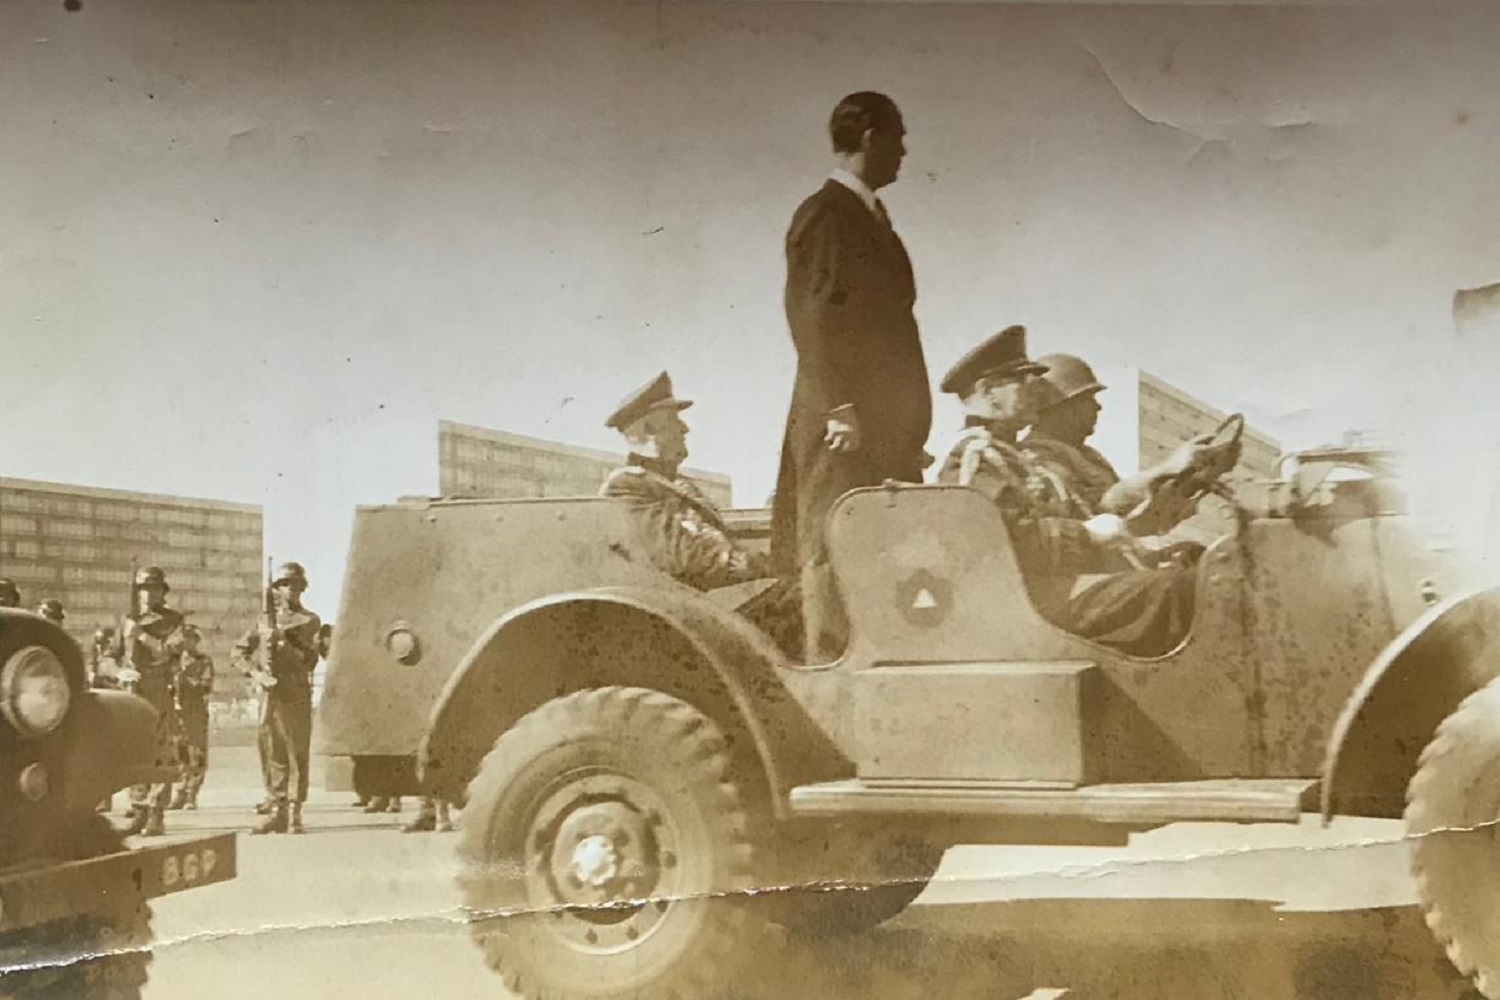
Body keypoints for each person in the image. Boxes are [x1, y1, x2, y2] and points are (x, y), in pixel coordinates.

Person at [770, 91, 933, 663]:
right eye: (898, 138)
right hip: (845, 431)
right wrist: (837, 407)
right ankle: (831, 679)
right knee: (833, 552)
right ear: (870, 137)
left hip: (878, 435)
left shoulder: (870, 219)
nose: (904, 152)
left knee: (884, 558)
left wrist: (905, 429)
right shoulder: (828, 215)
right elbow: (812, 314)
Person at [935, 328, 1195, 658]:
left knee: (1194, 572)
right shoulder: (975, 459)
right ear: (989, 391)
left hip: (1052, 592)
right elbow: (1007, 542)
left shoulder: (1011, 457)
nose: (1033, 392)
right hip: (1027, 604)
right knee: (1171, 591)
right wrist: (1088, 534)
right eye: (1021, 382)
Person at [1022, 353, 1233, 534]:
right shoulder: (1036, 459)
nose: (1098, 407)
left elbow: (1138, 523)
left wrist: (1194, 481)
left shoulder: (1090, 458)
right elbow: (1098, 516)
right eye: (1087, 399)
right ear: (1062, 406)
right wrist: (1167, 468)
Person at [601, 371, 774, 591]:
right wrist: (758, 565)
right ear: (648, 430)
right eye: (674, 420)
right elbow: (682, 555)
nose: (685, 428)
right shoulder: (627, 487)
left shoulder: (674, 483)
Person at [233, 562, 322, 835]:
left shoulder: (309, 621)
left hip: (295, 692)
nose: (290, 590)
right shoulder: (262, 621)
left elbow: (310, 659)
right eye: (284, 585)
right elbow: (238, 652)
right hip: (269, 693)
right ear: (276, 590)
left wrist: (282, 641)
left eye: (295, 585)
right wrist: (256, 674)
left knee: (296, 751)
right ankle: (277, 809)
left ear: (302, 588)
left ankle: (295, 811)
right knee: (272, 750)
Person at [118, 566, 187, 837]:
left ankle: (156, 812)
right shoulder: (127, 620)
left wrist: (141, 636)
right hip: (132, 689)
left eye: (154, 588)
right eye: (143, 588)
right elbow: (109, 657)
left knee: (160, 752)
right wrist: (119, 672)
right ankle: (138, 809)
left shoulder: (173, 620)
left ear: (162, 591)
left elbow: (170, 651)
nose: (148, 593)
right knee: (134, 750)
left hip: (159, 688)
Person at [171, 624, 215, 811]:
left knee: (196, 753)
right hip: (175, 712)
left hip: (194, 711)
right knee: (178, 752)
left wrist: (187, 679)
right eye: (184, 638)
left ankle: (192, 793)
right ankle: (180, 792)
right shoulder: (172, 660)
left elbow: (206, 685)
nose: (186, 642)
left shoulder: (203, 661)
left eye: (190, 638)